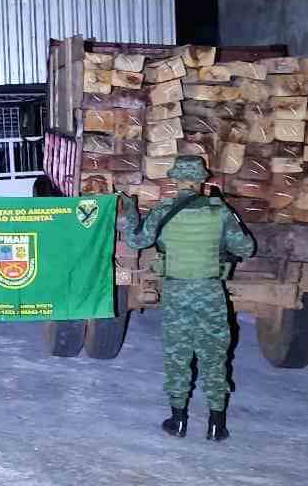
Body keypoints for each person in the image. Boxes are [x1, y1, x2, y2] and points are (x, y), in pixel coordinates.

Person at [119, 155, 254, 441]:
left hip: (177, 292)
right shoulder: (220, 210)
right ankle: (217, 424)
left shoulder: (163, 210)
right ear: (203, 180)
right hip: (210, 292)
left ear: (175, 180)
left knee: (177, 355)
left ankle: (178, 420)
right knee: (214, 356)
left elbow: (136, 241)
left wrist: (130, 210)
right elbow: (247, 247)